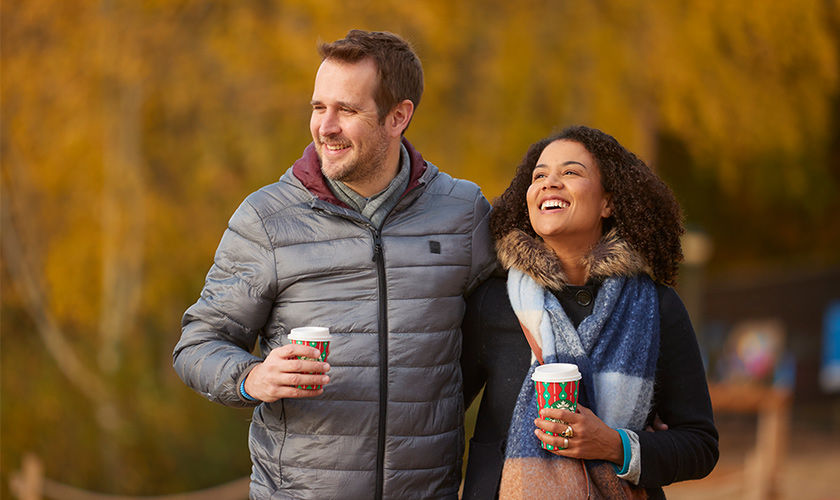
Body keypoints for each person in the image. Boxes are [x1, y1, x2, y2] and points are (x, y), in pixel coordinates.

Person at [173, 30, 495, 500]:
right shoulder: (267, 219)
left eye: (346, 110)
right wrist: (252, 377)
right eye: (318, 107)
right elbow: (197, 344)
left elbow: (511, 327)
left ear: (398, 117)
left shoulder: (462, 213)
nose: (325, 126)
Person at [460, 126, 718, 499]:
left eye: (570, 172)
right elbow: (441, 415)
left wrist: (615, 445)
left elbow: (700, 446)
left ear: (607, 203)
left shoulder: (657, 307)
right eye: (539, 175)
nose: (550, 183)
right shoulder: (493, 302)